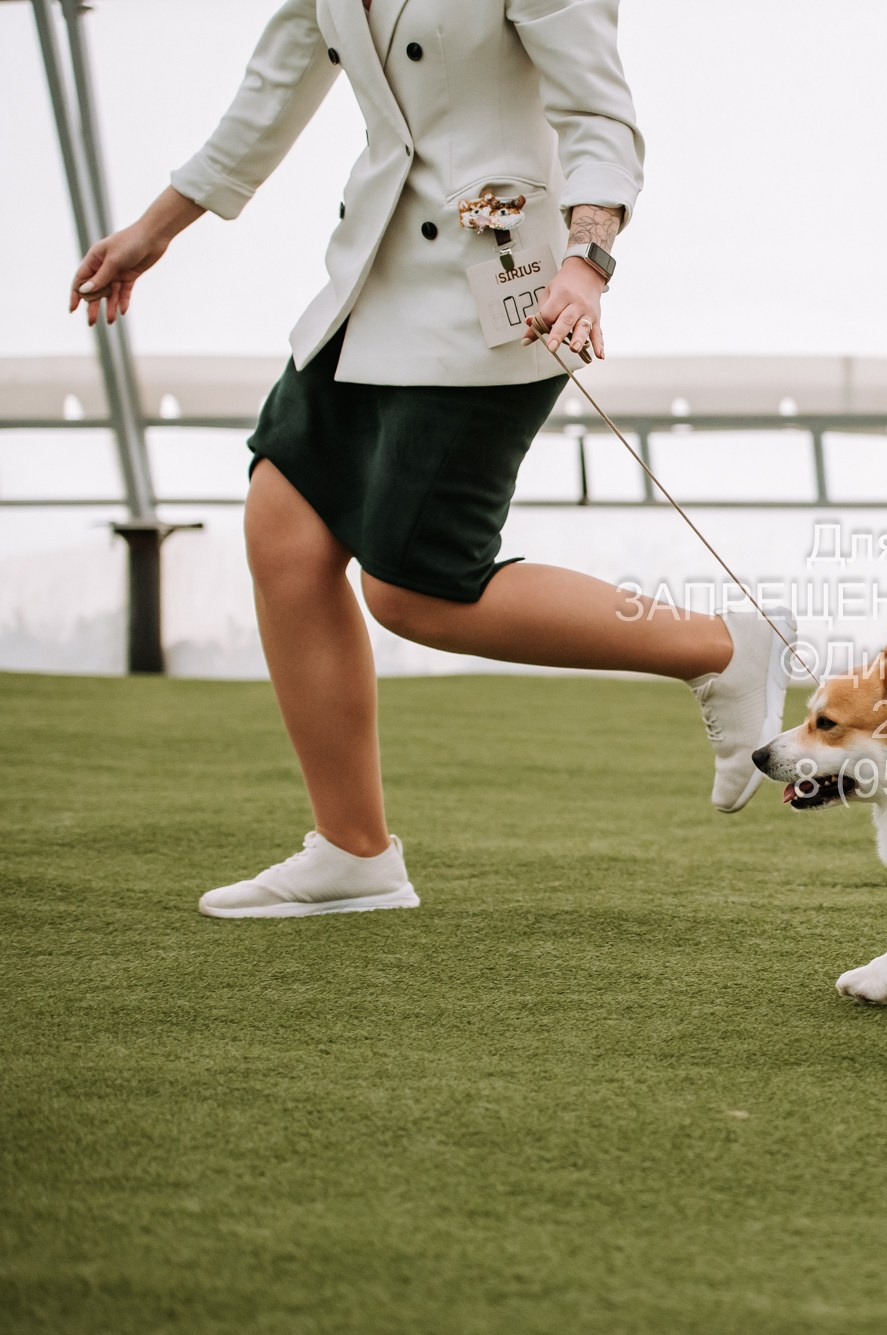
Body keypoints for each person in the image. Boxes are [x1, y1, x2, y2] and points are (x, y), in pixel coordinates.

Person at [68, 0, 792, 919]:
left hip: (503, 298)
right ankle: (353, 851)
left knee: (416, 587)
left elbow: (599, 114)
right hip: (369, 282)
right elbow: (275, 84)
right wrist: (158, 226)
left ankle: (722, 647)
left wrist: (588, 262)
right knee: (284, 525)